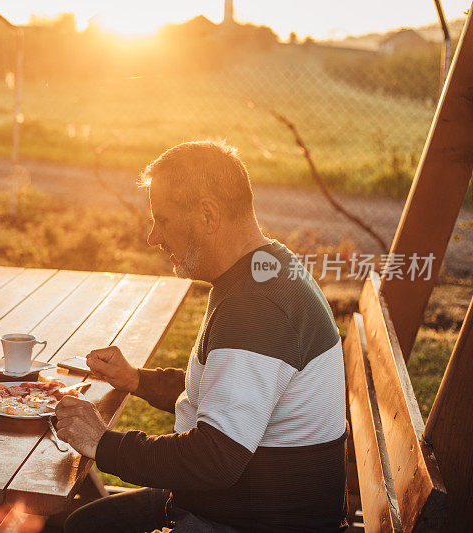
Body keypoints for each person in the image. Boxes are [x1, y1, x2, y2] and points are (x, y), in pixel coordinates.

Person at [55, 140, 348, 533]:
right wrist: (138, 380)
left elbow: (215, 459)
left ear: (208, 214)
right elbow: (226, 392)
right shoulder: (265, 268)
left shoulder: (257, 306)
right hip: (244, 502)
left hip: (254, 521)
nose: (153, 237)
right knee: (85, 524)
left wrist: (103, 443)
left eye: (163, 219)